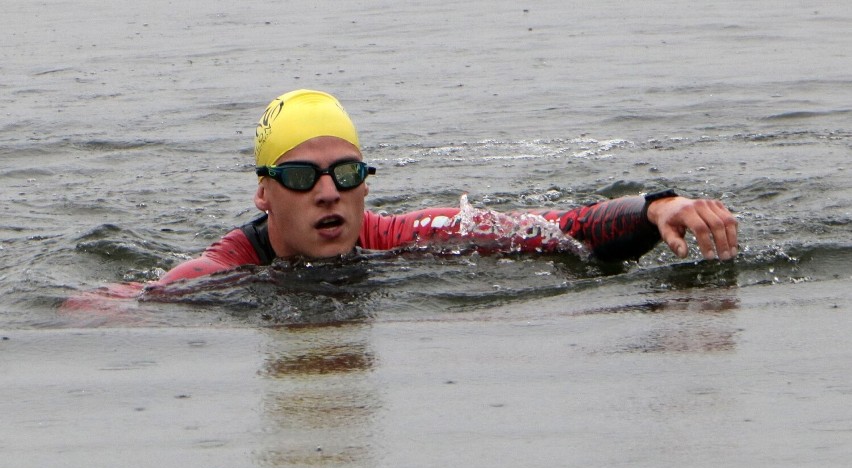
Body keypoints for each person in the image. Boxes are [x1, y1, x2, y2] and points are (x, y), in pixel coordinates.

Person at [153, 89, 738, 287]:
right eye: (303, 178)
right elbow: (128, 301)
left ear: (363, 186)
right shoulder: (224, 271)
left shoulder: (397, 237)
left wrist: (658, 206)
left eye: (347, 173)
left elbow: (559, 229)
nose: (328, 192)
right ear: (265, 193)